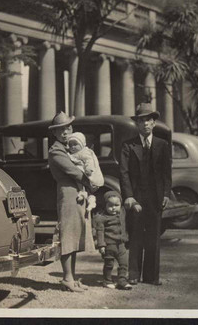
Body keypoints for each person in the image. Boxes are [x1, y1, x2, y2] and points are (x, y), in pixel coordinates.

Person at [119, 103, 172, 286]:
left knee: (153, 236)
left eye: (148, 120)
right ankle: (133, 274)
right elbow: (123, 172)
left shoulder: (162, 145)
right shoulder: (128, 146)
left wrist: (166, 194)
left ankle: (151, 277)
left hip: (156, 197)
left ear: (154, 123)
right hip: (136, 197)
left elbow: (167, 172)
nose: (145, 124)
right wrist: (128, 196)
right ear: (137, 124)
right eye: (141, 121)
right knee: (135, 235)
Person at [48, 111, 96, 292]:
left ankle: (71, 277)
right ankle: (67, 278)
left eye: (68, 127)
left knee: (75, 234)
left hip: (77, 191)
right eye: (60, 129)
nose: (65, 132)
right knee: (68, 234)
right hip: (68, 192)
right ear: (55, 133)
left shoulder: (70, 148)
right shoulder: (56, 150)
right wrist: (90, 183)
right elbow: (73, 171)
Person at [93, 190, 132, 290]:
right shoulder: (102, 218)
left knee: (124, 263)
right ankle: (107, 280)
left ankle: (122, 281)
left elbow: (128, 204)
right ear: (105, 205)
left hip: (121, 245)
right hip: (109, 245)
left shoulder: (122, 213)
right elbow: (100, 232)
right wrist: (101, 245)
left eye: (116, 205)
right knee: (109, 264)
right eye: (110, 205)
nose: (113, 208)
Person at [67, 131, 104, 206]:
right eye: (70, 145)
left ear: (81, 145)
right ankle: (90, 198)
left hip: (87, 172)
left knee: (81, 180)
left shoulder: (84, 152)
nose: (72, 147)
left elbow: (89, 160)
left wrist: (88, 168)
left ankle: (83, 193)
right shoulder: (73, 153)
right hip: (81, 171)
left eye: (75, 144)